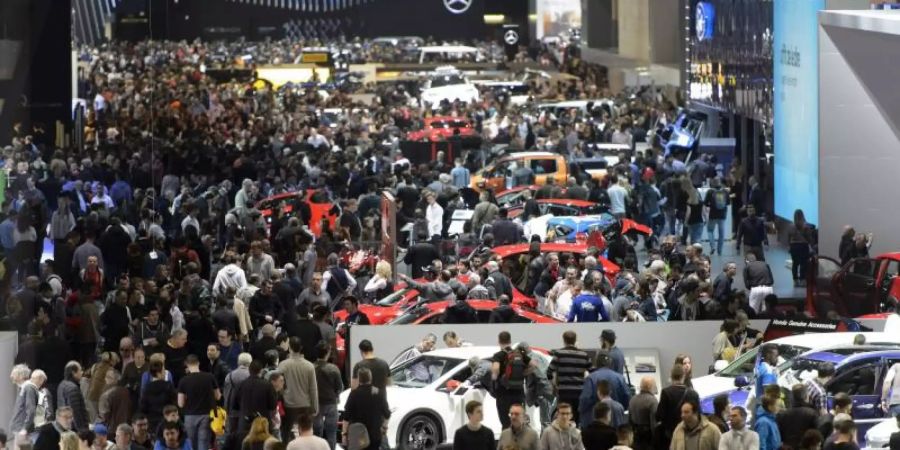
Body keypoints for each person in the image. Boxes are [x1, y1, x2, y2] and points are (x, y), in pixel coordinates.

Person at [491, 331, 536, 429]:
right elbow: (533, 365)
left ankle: (508, 442)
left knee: (506, 422)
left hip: (503, 393)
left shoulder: (498, 355)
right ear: (510, 341)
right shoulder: (519, 354)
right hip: (518, 392)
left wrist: (494, 377)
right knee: (519, 421)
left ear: (499, 341)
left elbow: (495, 368)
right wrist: (524, 373)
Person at [277, 337, 319, 441]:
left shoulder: (283, 365)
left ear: (289, 348)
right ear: (301, 348)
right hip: (305, 405)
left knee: (286, 434)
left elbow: (279, 386)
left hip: (289, 405)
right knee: (305, 434)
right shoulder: (309, 366)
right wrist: (315, 407)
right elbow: (313, 389)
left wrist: (284, 394)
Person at [177, 355, 220, 450]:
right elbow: (218, 396)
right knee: (204, 443)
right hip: (207, 415)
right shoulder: (210, 377)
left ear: (187, 365)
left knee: (191, 444)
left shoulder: (183, 381)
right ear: (198, 363)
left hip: (190, 416)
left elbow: (180, 403)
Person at [341, 368, 390, 450]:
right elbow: (387, 414)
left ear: (359, 379)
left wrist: (344, 434)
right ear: (370, 378)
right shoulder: (378, 392)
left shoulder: (354, 394)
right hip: (375, 435)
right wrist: (384, 428)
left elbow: (346, 416)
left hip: (358, 436)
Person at [579, 351, 630, 429]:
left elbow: (585, 399)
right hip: (616, 421)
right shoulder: (620, 378)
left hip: (594, 423)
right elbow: (626, 397)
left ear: (596, 363)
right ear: (610, 363)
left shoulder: (591, 378)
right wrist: (619, 408)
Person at [549, 331, 591, 425]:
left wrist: (554, 385)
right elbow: (592, 371)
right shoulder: (584, 355)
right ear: (575, 340)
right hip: (579, 393)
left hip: (564, 393)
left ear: (564, 341)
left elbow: (549, 372)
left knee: (564, 419)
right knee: (576, 419)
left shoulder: (559, 354)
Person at [656, 364, 697, 447]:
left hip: (671, 433)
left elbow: (659, 415)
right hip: (689, 433)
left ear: (671, 376)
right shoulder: (693, 393)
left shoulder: (666, 392)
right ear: (683, 376)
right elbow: (698, 415)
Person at [313, 342, 342, 450]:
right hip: (331, 402)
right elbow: (339, 387)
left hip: (316, 403)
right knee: (331, 432)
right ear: (327, 353)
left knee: (317, 432)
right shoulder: (333, 368)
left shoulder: (311, 367)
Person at [236, 361, 277, 433]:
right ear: (261, 371)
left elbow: (235, 404)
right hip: (262, 421)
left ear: (249, 370)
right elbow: (273, 405)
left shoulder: (241, 384)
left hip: (244, 422)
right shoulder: (267, 385)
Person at [778, 385, 818, 449]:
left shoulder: (782, 415)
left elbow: (780, 435)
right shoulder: (812, 413)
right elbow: (815, 436)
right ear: (806, 396)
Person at [58, 361, 90, 432]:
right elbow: (75, 412)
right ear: (73, 373)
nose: (82, 372)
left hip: (64, 426)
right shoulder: (72, 388)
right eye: (80, 370)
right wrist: (82, 431)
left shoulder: (62, 384)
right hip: (74, 430)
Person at [627, 377, 658, 450]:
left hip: (636, 436)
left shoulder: (633, 399)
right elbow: (654, 424)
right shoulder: (652, 401)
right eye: (654, 385)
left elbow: (629, 420)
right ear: (650, 387)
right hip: (648, 438)